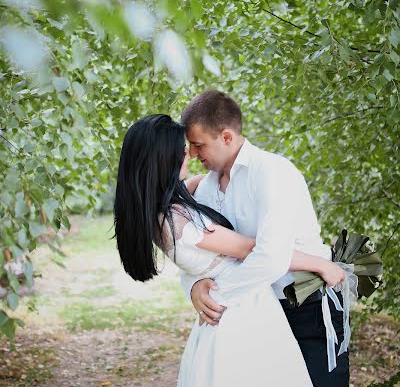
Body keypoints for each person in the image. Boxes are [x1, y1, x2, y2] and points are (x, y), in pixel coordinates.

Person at [113, 113, 345, 386]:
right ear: (165, 160)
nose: (192, 155)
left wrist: (201, 285)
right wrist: (321, 264)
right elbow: (253, 250)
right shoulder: (178, 217)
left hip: (288, 306)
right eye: (185, 151)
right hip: (242, 313)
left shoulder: (165, 206)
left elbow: (204, 254)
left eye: (196, 147)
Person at [180, 90, 350, 386]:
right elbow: (198, 253)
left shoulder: (273, 173)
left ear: (227, 137)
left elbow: (270, 259)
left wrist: (217, 296)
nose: (193, 155)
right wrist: (194, 286)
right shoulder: (206, 189)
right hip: (255, 315)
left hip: (308, 304)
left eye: (198, 145)